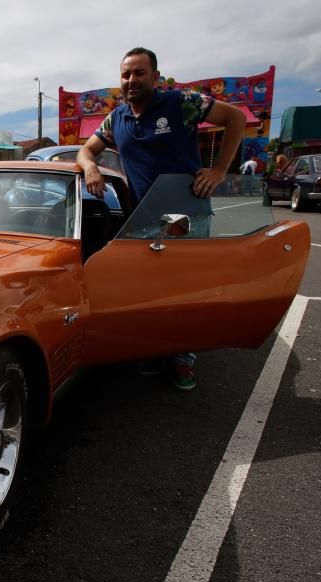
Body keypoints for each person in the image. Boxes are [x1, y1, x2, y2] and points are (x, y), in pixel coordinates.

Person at [77, 46, 246, 391]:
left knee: (185, 291)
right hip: (142, 218)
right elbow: (84, 149)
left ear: (155, 76)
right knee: (150, 292)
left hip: (188, 213)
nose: (131, 80)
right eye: (126, 74)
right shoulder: (116, 118)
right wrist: (91, 165)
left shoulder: (181, 102)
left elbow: (236, 119)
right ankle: (156, 351)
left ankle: (183, 359)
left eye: (139, 73)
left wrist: (218, 171)